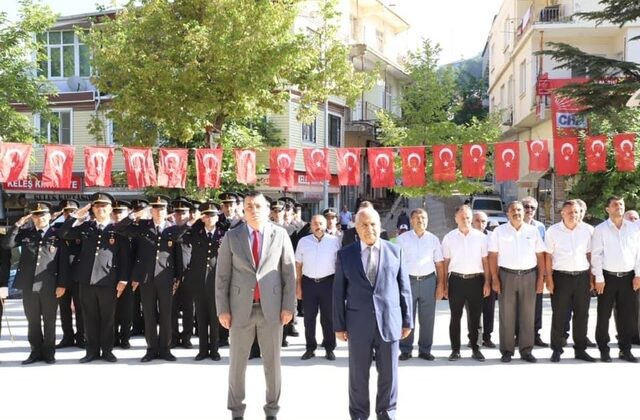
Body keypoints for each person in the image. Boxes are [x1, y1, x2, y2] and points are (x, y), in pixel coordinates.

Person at [215, 191, 296, 420]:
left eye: (258, 206)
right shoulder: (233, 236)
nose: (253, 210)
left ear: (267, 209)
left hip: (272, 309)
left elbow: (289, 274)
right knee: (237, 365)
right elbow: (222, 276)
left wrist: (289, 306)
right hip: (241, 309)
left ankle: (272, 410)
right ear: (243, 209)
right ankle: (236, 411)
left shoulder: (280, 235)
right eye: (249, 206)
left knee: (273, 364)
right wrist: (223, 309)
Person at [333, 206, 412, 420]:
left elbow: (404, 288)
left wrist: (407, 320)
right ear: (356, 229)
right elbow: (338, 292)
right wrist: (339, 326)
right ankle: (359, 415)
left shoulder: (395, 251)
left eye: (373, 224)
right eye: (364, 225)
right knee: (358, 375)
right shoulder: (345, 255)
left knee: (389, 374)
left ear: (380, 226)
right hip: (358, 324)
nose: (369, 229)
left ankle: (387, 413)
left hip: (389, 321)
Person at [59, 193, 130, 363]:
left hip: (108, 280)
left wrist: (123, 279)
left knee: (107, 318)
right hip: (86, 280)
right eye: (97, 206)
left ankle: (107, 351)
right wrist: (77, 216)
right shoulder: (86, 227)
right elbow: (64, 233)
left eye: (104, 206)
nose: (100, 209)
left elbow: (124, 257)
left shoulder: (117, 229)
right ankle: (91, 351)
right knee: (89, 317)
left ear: (110, 209)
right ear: (93, 209)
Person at [115, 195, 186, 362]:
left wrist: (178, 277)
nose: (158, 211)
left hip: (166, 277)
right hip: (146, 278)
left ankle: (165, 348)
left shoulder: (171, 228)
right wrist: (134, 215)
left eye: (162, 208)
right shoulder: (142, 226)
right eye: (155, 208)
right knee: (149, 314)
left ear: (167, 210)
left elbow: (178, 255)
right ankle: (151, 348)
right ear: (150, 210)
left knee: (167, 315)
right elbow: (119, 228)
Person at [2, 202, 65, 365]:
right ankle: (35, 352)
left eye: (43, 214)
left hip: (49, 285)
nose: (39, 218)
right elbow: (6, 244)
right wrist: (17, 224)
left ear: (50, 216)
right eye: (36, 215)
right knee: (33, 320)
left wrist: (62, 284)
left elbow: (63, 262)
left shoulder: (57, 234)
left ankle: (49, 353)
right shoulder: (26, 233)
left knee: (50, 321)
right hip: (29, 285)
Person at [489, 201, 545, 363]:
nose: (517, 212)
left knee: (528, 314)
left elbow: (541, 256)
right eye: (513, 210)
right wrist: (494, 279)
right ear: (507, 213)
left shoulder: (533, 231)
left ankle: (526, 350)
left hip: (529, 275)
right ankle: (507, 350)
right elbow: (493, 256)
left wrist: (541, 278)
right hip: (506, 275)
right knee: (507, 314)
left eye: (519, 210)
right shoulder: (499, 232)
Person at [544, 200, 596, 363]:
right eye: (570, 212)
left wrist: (592, 278)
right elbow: (548, 257)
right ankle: (557, 349)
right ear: (562, 214)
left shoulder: (588, 230)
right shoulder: (553, 231)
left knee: (582, 314)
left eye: (576, 212)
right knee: (559, 314)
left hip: (582, 276)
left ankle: (580, 349)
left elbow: (590, 255)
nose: (573, 215)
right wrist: (549, 280)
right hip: (561, 277)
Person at [591, 196, 640, 363]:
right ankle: (604, 349)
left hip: (628, 278)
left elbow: (638, 253)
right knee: (604, 315)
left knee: (627, 316)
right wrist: (598, 277)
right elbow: (596, 255)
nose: (619, 207)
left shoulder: (634, 228)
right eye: (614, 205)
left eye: (621, 204)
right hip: (607, 278)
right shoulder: (600, 229)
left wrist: (638, 275)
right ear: (607, 209)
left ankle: (625, 349)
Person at [442, 205, 491, 362]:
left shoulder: (481, 237)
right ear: (456, 218)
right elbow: (445, 263)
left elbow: (485, 261)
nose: (466, 221)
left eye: (468, 218)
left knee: (476, 317)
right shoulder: (449, 238)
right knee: (455, 317)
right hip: (456, 281)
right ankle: (455, 350)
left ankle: (476, 349)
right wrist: (443, 284)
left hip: (476, 280)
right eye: (462, 218)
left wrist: (487, 282)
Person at [396, 208, 444, 361]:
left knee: (427, 319)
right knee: (407, 316)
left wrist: (441, 285)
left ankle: (425, 349)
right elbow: (396, 263)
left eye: (423, 218)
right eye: (417, 218)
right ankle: (405, 349)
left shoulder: (433, 239)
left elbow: (439, 264)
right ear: (411, 221)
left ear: (427, 220)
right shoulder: (402, 239)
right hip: (408, 282)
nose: (420, 221)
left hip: (428, 281)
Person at [295, 214, 340, 361]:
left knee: (328, 318)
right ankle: (310, 348)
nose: (318, 226)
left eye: (321, 223)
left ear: (325, 225)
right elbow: (298, 265)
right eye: (315, 224)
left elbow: (339, 265)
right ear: (311, 225)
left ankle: (329, 348)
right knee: (309, 318)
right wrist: (298, 286)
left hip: (328, 283)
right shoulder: (303, 241)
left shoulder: (334, 241)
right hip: (309, 284)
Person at [183, 202, 223, 361]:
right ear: (203, 218)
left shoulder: (223, 234)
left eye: (213, 215)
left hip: (216, 282)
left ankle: (214, 350)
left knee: (214, 318)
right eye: (207, 215)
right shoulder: (196, 233)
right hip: (198, 282)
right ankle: (202, 350)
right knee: (200, 318)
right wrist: (192, 222)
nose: (210, 218)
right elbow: (178, 237)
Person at [53, 199, 85, 349]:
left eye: (73, 210)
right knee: (64, 309)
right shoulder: (57, 227)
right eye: (67, 211)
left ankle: (81, 337)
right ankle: (67, 337)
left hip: (79, 275)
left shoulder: (84, 226)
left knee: (80, 309)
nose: (70, 213)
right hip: (62, 275)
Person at [521, 196, 548, 347]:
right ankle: (518, 335)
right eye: (526, 206)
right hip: (516, 271)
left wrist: (543, 274)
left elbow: (543, 252)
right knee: (518, 305)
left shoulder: (540, 227)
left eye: (532, 208)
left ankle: (535, 334)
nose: (529, 210)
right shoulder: (511, 225)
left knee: (536, 305)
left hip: (535, 271)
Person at [171, 198, 195, 349]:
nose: (180, 216)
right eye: (177, 213)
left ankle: (186, 338)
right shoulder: (170, 230)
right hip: (172, 277)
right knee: (171, 310)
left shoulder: (195, 231)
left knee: (188, 310)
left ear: (189, 214)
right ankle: (173, 338)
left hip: (189, 276)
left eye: (183, 213)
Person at [112, 200, 134, 349]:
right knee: (112, 309)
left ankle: (125, 337)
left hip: (131, 275)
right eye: (115, 212)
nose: (117, 214)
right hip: (111, 275)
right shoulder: (110, 229)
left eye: (121, 211)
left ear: (128, 213)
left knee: (127, 309)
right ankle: (113, 337)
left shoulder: (135, 228)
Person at [472, 211, 497, 348]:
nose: (480, 224)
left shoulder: (492, 237)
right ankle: (474, 337)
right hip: (473, 277)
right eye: (477, 220)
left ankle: (487, 337)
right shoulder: (468, 236)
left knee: (489, 308)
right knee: (473, 310)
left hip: (490, 276)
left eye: (483, 221)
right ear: (472, 221)